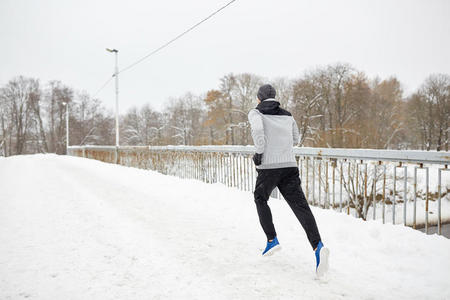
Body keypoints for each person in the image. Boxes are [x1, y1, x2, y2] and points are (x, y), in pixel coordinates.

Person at [248, 84, 329, 276]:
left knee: (260, 198)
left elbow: (258, 131)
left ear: (259, 98)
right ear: (274, 97)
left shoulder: (255, 113)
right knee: (301, 207)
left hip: (268, 167)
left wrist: (260, 153)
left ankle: (271, 240)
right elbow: (295, 138)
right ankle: (318, 246)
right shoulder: (287, 114)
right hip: (289, 166)